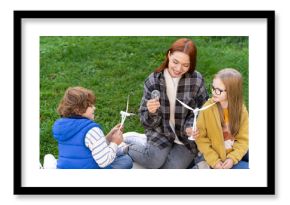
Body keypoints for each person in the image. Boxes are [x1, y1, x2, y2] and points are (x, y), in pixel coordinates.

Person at [123, 38, 209, 168]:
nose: (179, 69)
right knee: (153, 162)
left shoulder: (196, 80)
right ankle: (127, 145)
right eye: (175, 62)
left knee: (170, 169)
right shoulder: (153, 81)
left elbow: (202, 109)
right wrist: (151, 113)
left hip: (184, 138)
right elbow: (145, 121)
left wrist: (191, 127)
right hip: (161, 132)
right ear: (169, 55)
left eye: (186, 65)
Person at [52, 86, 133, 169]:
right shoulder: (91, 130)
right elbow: (104, 162)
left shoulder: (62, 127)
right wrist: (115, 143)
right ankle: (118, 151)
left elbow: (83, 148)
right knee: (126, 160)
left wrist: (108, 138)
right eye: (90, 106)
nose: (94, 108)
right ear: (78, 110)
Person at [195, 68, 249, 169]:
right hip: (215, 157)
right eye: (213, 87)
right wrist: (214, 161)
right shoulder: (207, 109)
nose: (214, 92)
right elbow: (201, 138)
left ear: (232, 92)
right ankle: (203, 165)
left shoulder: (241, 110)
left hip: (233, 153)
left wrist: (232, 158)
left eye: (219, 90)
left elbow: (243, 139)